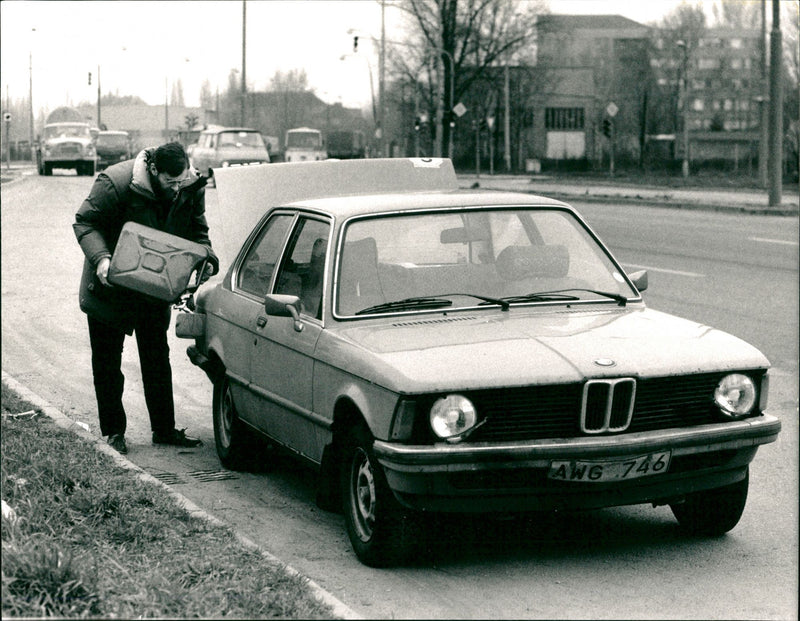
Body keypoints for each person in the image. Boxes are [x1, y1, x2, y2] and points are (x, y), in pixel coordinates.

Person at [73, 142, 219, 455]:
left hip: (155, 286)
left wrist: (205, 259)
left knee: (156, 357)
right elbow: (85, 221)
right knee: (108, 362)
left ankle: (164, 430)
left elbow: (198, 230)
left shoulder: (189, 186)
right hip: (110, 287)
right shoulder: (115, 182)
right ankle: (113, 432)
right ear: (153, 169)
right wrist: (101, 259)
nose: (176, 188)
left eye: (181, 181)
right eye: (170, 182)